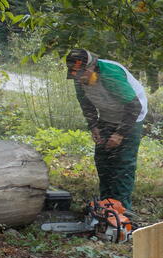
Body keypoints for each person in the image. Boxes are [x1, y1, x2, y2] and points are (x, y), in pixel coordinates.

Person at [66, 49, 148, 210]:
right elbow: (86, 105)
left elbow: (134, 106)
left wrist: (120, 134)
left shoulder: (110, 74)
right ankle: (106, 204)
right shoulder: (78, 78)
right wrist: (94, 126)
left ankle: (122, 210)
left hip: (130, 117)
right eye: (75, 74)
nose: (78, 78)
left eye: (81, 74)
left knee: (122, 164)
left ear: (90, 68)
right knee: (103, 161)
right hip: (107, 116)